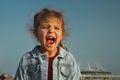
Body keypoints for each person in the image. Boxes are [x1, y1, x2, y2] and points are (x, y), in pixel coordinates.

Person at [15, 8, 82, 80]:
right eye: (45, 27)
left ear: (62, 34)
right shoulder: (27, 59)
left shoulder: (69, 59)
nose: (51, 30)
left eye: (56, 28)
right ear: (36, 33)